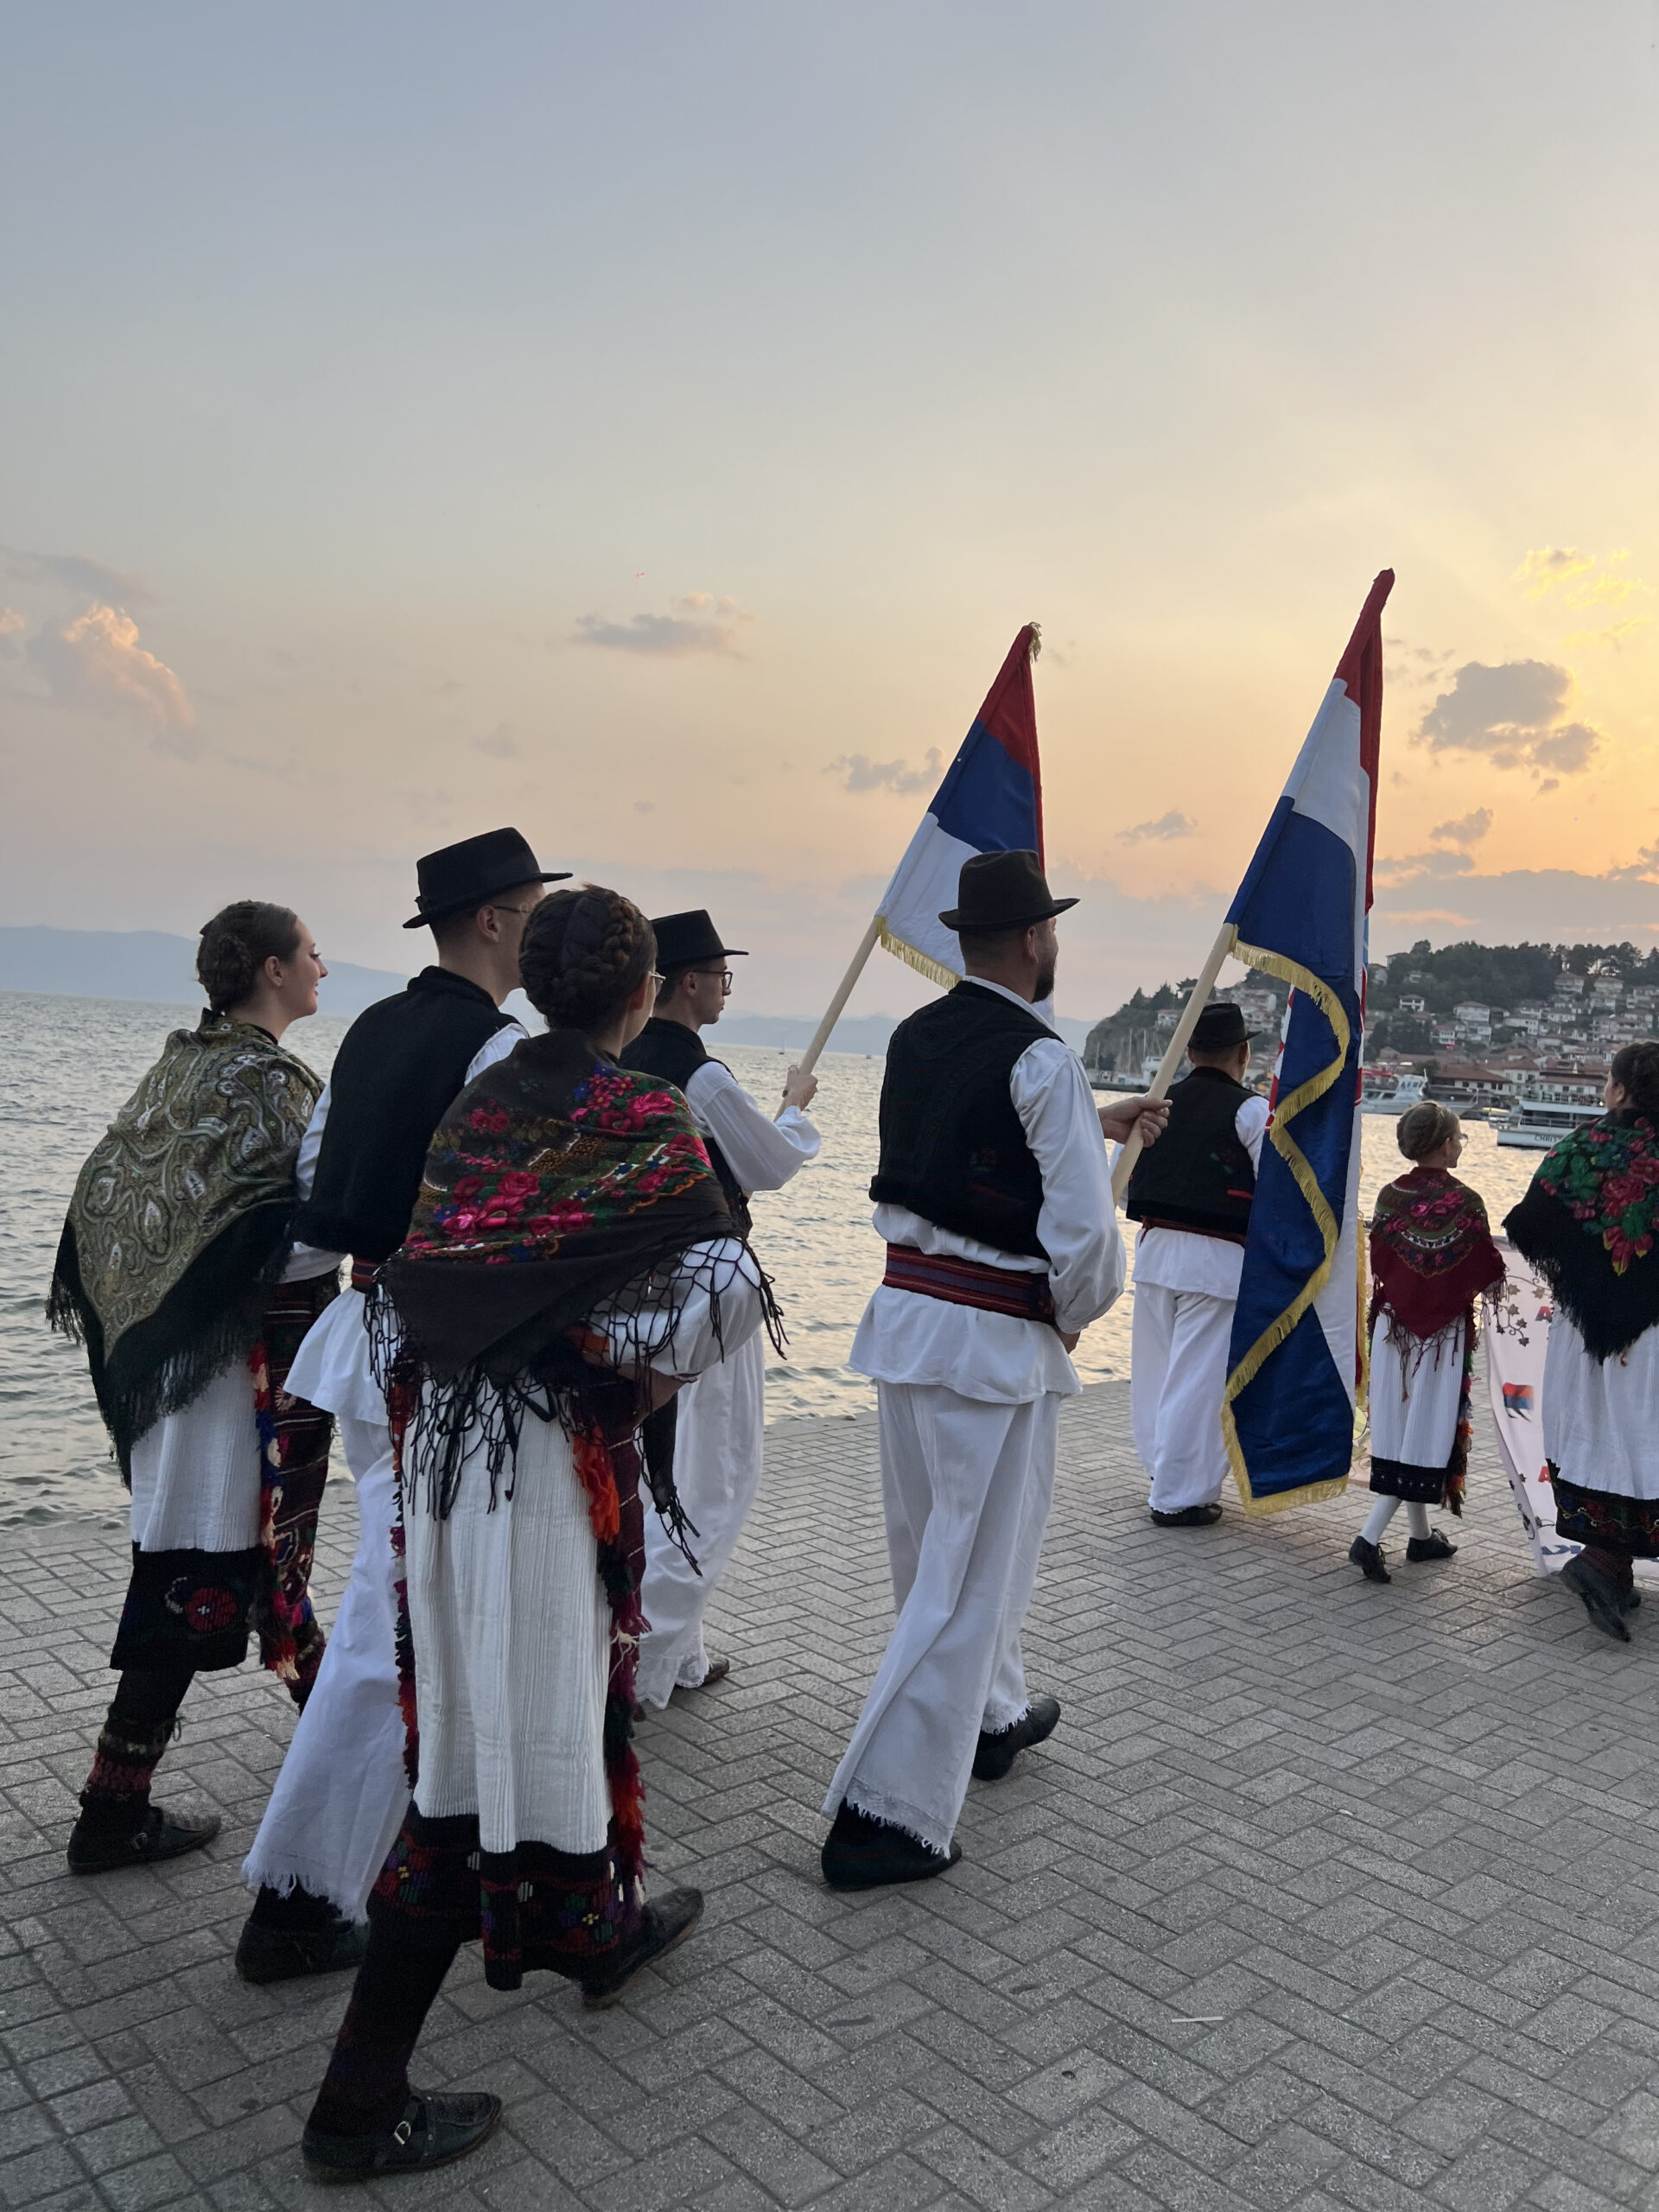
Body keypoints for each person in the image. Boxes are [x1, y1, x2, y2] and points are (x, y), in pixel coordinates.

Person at [301, 886, 774, 2183]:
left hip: (449, 1452)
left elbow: (418, 1274)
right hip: (544, 1466)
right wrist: (631, 1377)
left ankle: (593, 1925)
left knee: (546, 1706)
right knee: (479, 1760)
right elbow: (728, 1281)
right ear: (637, 996)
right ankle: (355, 2104)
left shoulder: (480, 1106)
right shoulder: (640, 1115)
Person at [235, 828, 569, 1983]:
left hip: (368, 1328)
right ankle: (299, 1894)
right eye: (530, 913)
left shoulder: (373, 1027)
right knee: (395, 1619)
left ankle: (408, 1865)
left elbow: (317, 1192)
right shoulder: (498, 1046)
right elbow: (505, 1219)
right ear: (489, 921)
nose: (538, 934)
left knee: (410, 1608)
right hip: (443, 1351)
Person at [819, 850, 1166, 1891]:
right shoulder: (1042, 1056)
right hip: (989, 1342)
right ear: (1030, 940)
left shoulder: (911, 1037)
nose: (1053, 945)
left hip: (909, 1324)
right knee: (972, 1572)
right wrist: (1067, 1316)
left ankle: (988, 1711)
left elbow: (952, 1160)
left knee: (928, 1547)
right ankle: (884, 1816)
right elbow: (1084, 1233)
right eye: (1050, 930)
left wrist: (1082, 1123)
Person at [48, 903, 335, 1873]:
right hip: (231, 1382)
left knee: (212, 1578)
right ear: (270, 968)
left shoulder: (180, 1065)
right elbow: (285, 1237)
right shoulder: (268, 1082)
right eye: (310, 954)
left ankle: (116, 1806)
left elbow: (108, 1199)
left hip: (176, 1367)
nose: (323, 969)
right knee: (227, 1574)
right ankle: (379, 1789)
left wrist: (158, 1306)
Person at [621, 909, 820, 1705]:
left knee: (656, 1468)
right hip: (704, 1287)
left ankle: (679, 1654)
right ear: (690, 982)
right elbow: (769, 1163)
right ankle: (646, 1650)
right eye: (722, 978)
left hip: (634, 1285)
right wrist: (796, 1104)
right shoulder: (699, 1076)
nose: (726, 991)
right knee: (722, 1472)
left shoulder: (623, 1060)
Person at [1505, 1039, 1659, 1642]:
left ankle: (1606, 1563)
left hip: (1585, 1328)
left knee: (1597, 1431)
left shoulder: (1580, 1147)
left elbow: (1530, 1225)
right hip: (1652, 1331)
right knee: (1642, 1434)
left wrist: (1585, 1286)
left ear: (1619, 1090)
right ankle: (1606, 1566)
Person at [1124, 1000, 1269, 1528]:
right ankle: (1177, 1494)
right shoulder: (1251, 1111)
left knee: (1158, 1374)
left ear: (1188, 1051)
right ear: (1244, 1053)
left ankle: (1164, 1471)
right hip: (1217, 1260)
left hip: (1156, 1250)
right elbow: (1274, 1198)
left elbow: (1124, 1187)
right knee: (1196, 1381)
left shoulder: (1157, 1104)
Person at [1348, 1101, 1506, 1583]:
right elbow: (1485, 1268)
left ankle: (1420, 1538)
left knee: (1401, 1428)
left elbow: (1385, 1265)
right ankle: (1367, 1539)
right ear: (1443, 1145)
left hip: (1393, 1326)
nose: (1460, 1146)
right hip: (1441, 1338)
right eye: (1458, 1138)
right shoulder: (1468, 1201)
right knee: (1427, 1433)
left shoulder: (1388, 1197)